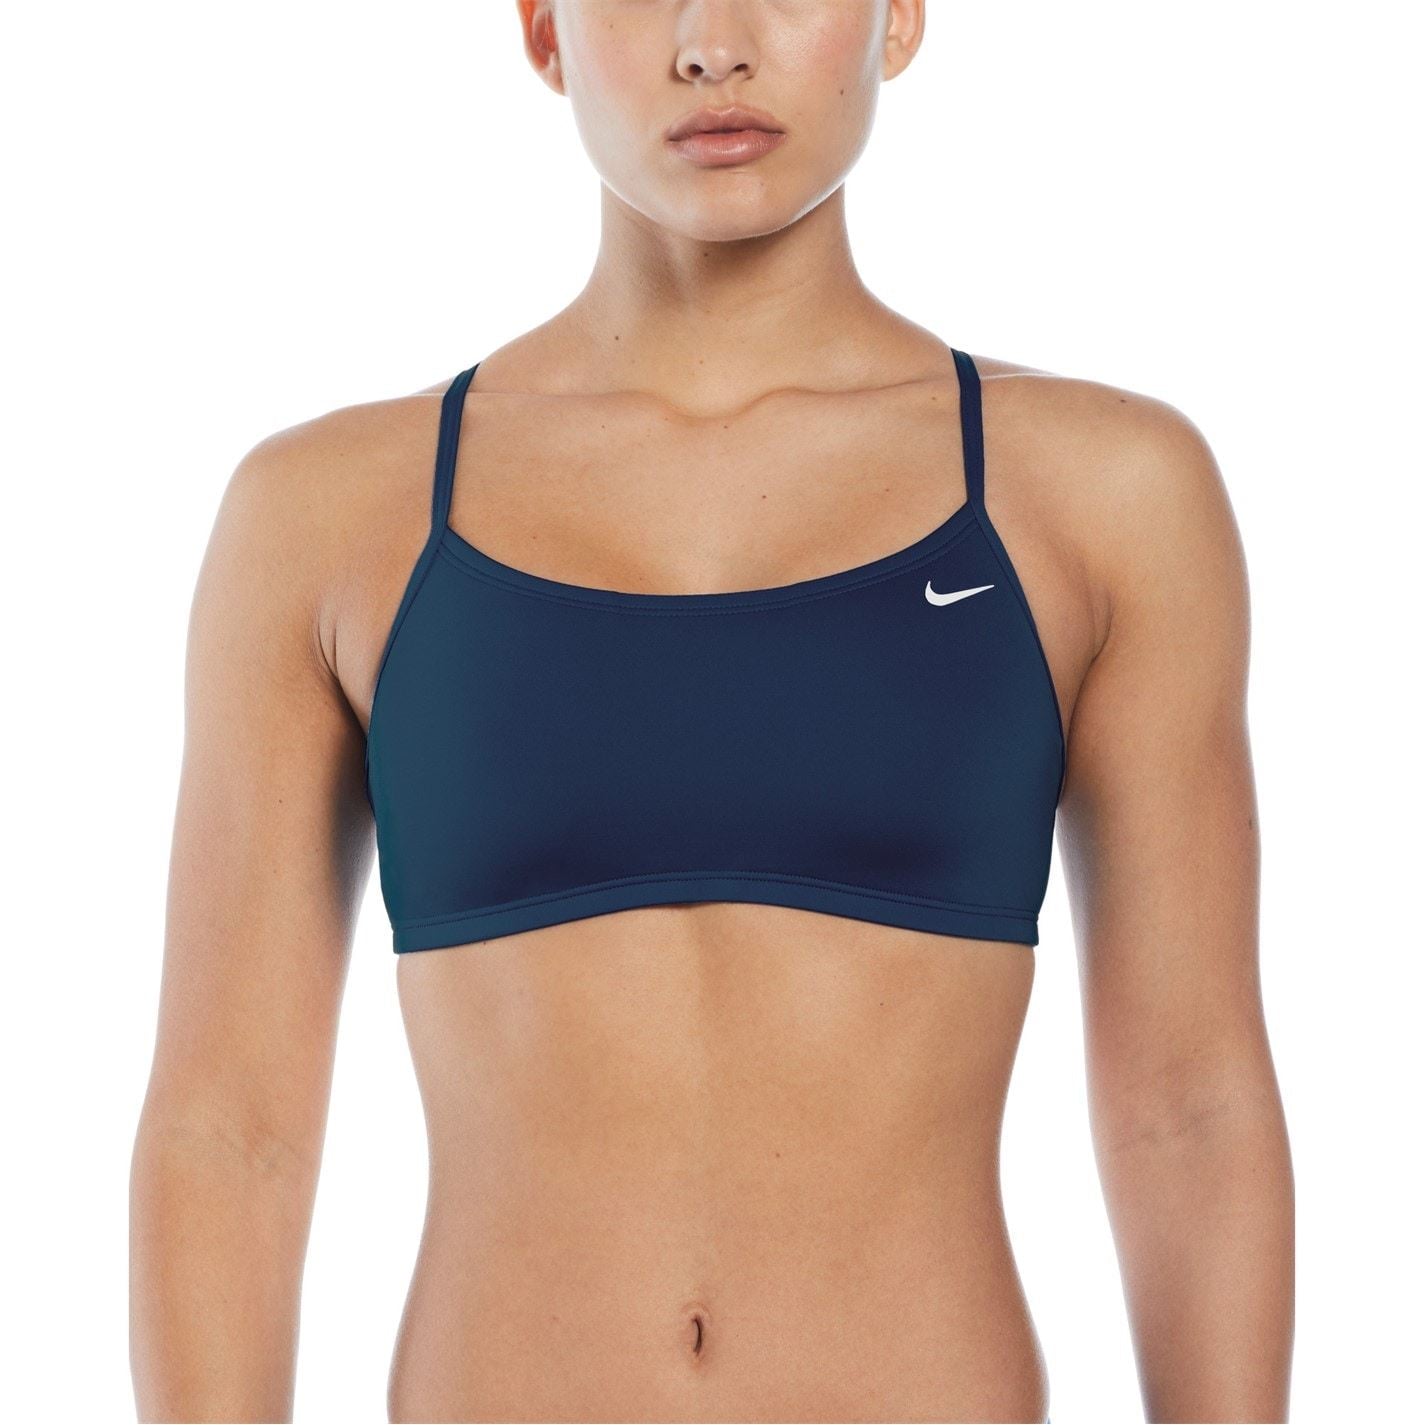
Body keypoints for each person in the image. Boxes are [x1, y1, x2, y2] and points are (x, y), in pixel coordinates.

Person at [129, 1, 1294, 1420]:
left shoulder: (1103, 495)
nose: (712, 44)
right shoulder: (325, 517)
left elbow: (1188, 1103)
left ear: (900, 18)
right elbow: (229, 1131)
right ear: (543, 32)